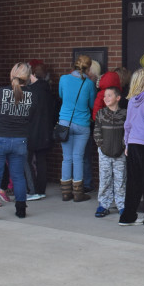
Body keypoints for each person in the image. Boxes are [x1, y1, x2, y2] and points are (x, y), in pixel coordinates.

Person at [0, 63, 38, 221]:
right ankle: (21, 210)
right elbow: (32, 116)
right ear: (27, 78)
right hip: (19, 139)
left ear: (12, 74)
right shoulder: (32, 95)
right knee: (19, 176)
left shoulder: (0, 92)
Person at [58, 54, 97, 202]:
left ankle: (66, 192)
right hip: (82, 123)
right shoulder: (88, 83)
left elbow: (61, 95)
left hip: (64, 122)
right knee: (78, 157)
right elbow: (92, 105)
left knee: (66, 158)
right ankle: (78, 193)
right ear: (88, 68)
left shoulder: (63, 79)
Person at [120, 68, 144, 226]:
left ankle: (127, 216)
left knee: (133, 182)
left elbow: (127, 125)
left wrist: (126, 143)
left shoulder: (132, 100)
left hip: (133, 144)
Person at [93, 86, 128, 218]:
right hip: (104, 153)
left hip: (120, 153)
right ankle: (103, 205)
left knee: (120, 180)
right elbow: (96, 131)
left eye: (109, 95)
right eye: (104, 96)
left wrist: (124, 146)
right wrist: (100, 145)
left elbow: (127, 132)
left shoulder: (125, 114)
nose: (106, 98)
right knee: (105, 179)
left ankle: (122, 205)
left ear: (118, 98)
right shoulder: (101, 114)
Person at [24, 61, 56, 200]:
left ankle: (33, 190)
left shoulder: (31, 91)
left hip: (32, 130)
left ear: (32, 74)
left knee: (27, 160)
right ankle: (40, 190)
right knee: (42, 161)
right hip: (46, 130)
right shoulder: (48, 89)